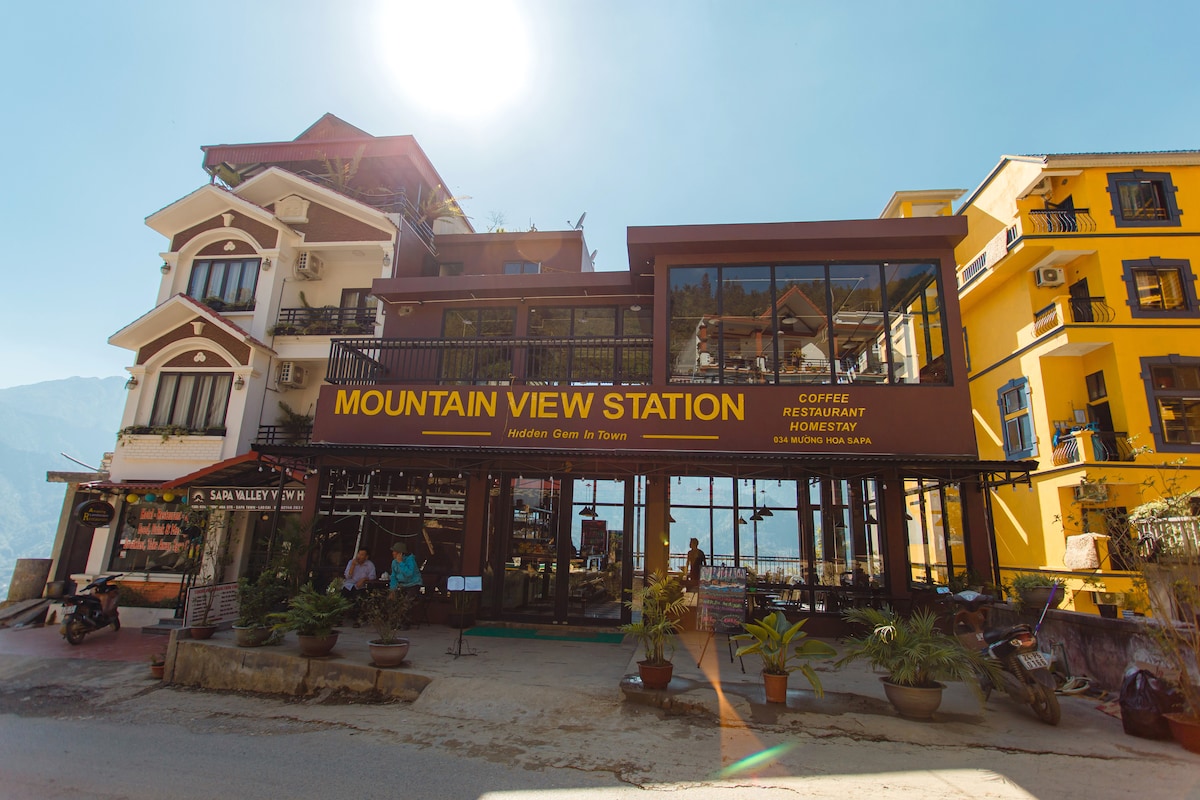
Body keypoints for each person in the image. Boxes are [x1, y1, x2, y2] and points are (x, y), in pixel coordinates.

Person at [388, 544, 423, 629]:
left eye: (395, 552)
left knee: (406, 602)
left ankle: (405, 623)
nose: (393, 553)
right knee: (393, 600)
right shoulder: (394, 562)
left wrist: (401, 563)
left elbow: (408, 574)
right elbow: (393, 576)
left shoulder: (410, 560)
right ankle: (394, 622)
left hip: (413, 584)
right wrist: (392, 590)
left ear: (400, 553)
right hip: (402, 585)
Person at [342, 548, 376, 626]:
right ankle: (338, 619)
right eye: (359, 554)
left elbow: (373, 576)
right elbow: (347, 576)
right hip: (349, 585)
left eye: (362, 555)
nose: (359, 556)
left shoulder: (369, 564)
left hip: (361, 587)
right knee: (342, 597)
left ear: (366, 557)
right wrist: (353, 566)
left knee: (359, 599)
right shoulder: (351, 562)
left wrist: (364, 579)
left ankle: (356, 620)